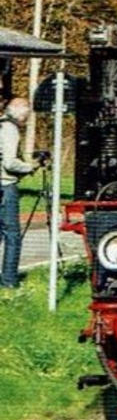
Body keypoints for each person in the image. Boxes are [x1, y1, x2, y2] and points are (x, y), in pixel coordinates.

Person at [0, 97, 34, 289]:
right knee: (12, 235)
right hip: (6, 186)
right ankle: (10, 281)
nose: (26, 119)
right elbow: (10, 162)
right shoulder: (10, 129)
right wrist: (29, 167)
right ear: (19, 111)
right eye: (26, 115)